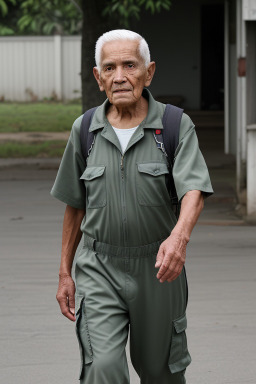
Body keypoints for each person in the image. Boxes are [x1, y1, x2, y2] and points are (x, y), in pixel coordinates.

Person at [50, 29, 213, 384]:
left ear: (149, 72)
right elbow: (75, 206)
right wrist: (65, 272)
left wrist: (179, 238)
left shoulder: (173, 125)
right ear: (98, 77)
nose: (120, 77)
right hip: (99, 268)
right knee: (103, 368)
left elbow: (194, 189)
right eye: (109, 68)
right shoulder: (85, 131)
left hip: (158, 268)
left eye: (130, 65)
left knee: (161, 372)